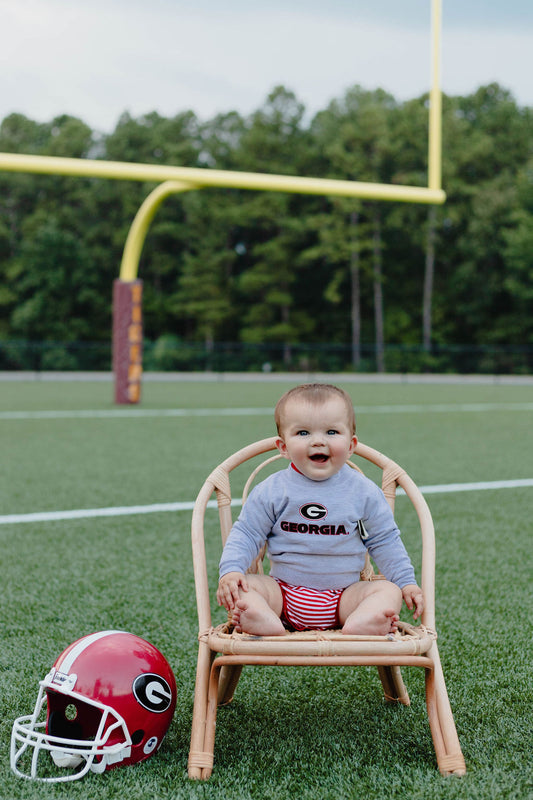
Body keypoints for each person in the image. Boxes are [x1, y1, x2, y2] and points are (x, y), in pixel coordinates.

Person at [217, 383, 424, 637]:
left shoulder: (363, 492)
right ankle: (261, 619)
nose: (318, 441)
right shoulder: (272, 490)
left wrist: (406, 582)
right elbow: (247, 533)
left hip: (345, 600)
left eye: (332, 431)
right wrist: (231, 570)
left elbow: (384, 540)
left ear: (351, 445)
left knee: (387, 591)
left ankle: (363, 623)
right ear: (283, 446)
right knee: (247, 587)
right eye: (303, 433)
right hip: (282, 595)